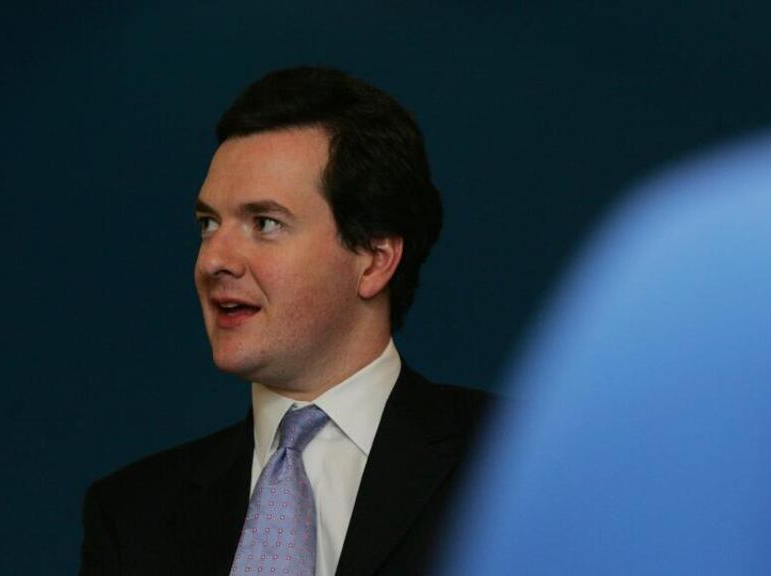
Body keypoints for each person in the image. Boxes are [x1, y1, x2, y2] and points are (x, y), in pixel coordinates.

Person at [79, 67, 491, 576]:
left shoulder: (513, 464)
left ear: (374, 259)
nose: (213, 260)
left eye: (265, 223)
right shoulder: (131, 516)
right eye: (208, 224)